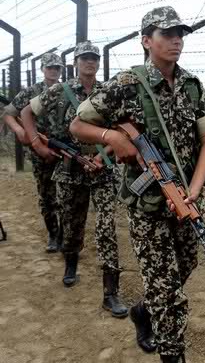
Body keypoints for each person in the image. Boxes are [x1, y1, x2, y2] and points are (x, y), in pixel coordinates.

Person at [70, 6, 205, 363]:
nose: (176, 40)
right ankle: (172, 353)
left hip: (185, 199)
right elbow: (78, 125)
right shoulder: (127, 84)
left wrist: (195, 189)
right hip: (147, 208)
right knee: (168, 292)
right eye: (166, 33)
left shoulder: (192, 85)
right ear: (146, 41)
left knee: (185, 266)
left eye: (179, 33)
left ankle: (143, 310)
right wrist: (112, 137)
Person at [20, 41, 128, 319]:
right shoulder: (60, 90)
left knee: (106, 227)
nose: (90, 62)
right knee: (71, 222)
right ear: (76, 63)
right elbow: (26, 113)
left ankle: (111, 292)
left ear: (99, 62)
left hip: (103, 169)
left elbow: (122, 129)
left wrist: (104, 155)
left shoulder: (108, 91)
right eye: (84, 58)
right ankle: (71, 262)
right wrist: (36, 143)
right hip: (70, 168)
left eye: (94, 58)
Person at [2, 52, 63, 252]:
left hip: (65, 149)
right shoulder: (31, 91)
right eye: (50, 67)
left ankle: (66, 235)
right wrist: (20, 131)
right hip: (40, 150)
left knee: (68, 195)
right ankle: (53, 234)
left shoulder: (67, 90)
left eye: (57, 68)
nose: (53, 71)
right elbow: (9, 113)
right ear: (42, 69)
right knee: (47, 194)